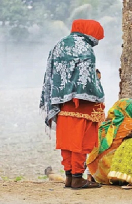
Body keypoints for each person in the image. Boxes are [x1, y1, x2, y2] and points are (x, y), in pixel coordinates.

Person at [39, 19, 105, 189]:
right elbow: (86, 82)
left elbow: (51, 74)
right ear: (90, 32)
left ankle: (69, 176)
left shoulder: (59, 44)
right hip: (81, 105)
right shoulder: (85, 48)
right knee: (80, 142)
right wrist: (98, 83)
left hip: (62, 104)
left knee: (67, 142)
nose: (97, 41)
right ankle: (77, 177)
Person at [86, 98, 132, 184]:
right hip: (120, 173)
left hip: (98, 173)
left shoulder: (104, 125)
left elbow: (94, 151)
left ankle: (89, 176)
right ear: (131, 110)